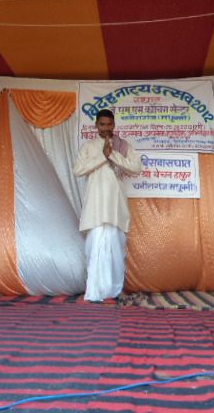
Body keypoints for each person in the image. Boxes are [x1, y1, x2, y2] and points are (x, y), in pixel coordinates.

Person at [74, 109, 142, 302]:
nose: (106, 128)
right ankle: (95, 291)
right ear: (96, 125)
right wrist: (102, 157)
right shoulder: (89, 147)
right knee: (95, 247)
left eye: (109, 124)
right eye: (102, 124)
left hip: (115, 205)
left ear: (114, 124)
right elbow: (78, 170)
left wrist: (113, 155)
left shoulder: (123, 146)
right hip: (95, 205)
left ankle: (114, 290)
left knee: (115, 248)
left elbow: (136, 168)